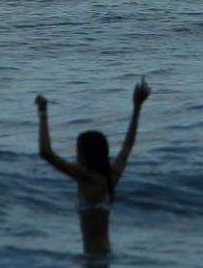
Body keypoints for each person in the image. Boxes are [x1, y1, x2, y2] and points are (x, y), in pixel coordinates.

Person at [35, 77, 151, 255]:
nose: (75, 157)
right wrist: (137, 107)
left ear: (86, 156)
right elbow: (127, 145)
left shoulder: (85, 177)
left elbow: (45, 153)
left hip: (95, 259)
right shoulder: (110, 178)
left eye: (78, 152)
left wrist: (43, 113)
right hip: (105, 254)